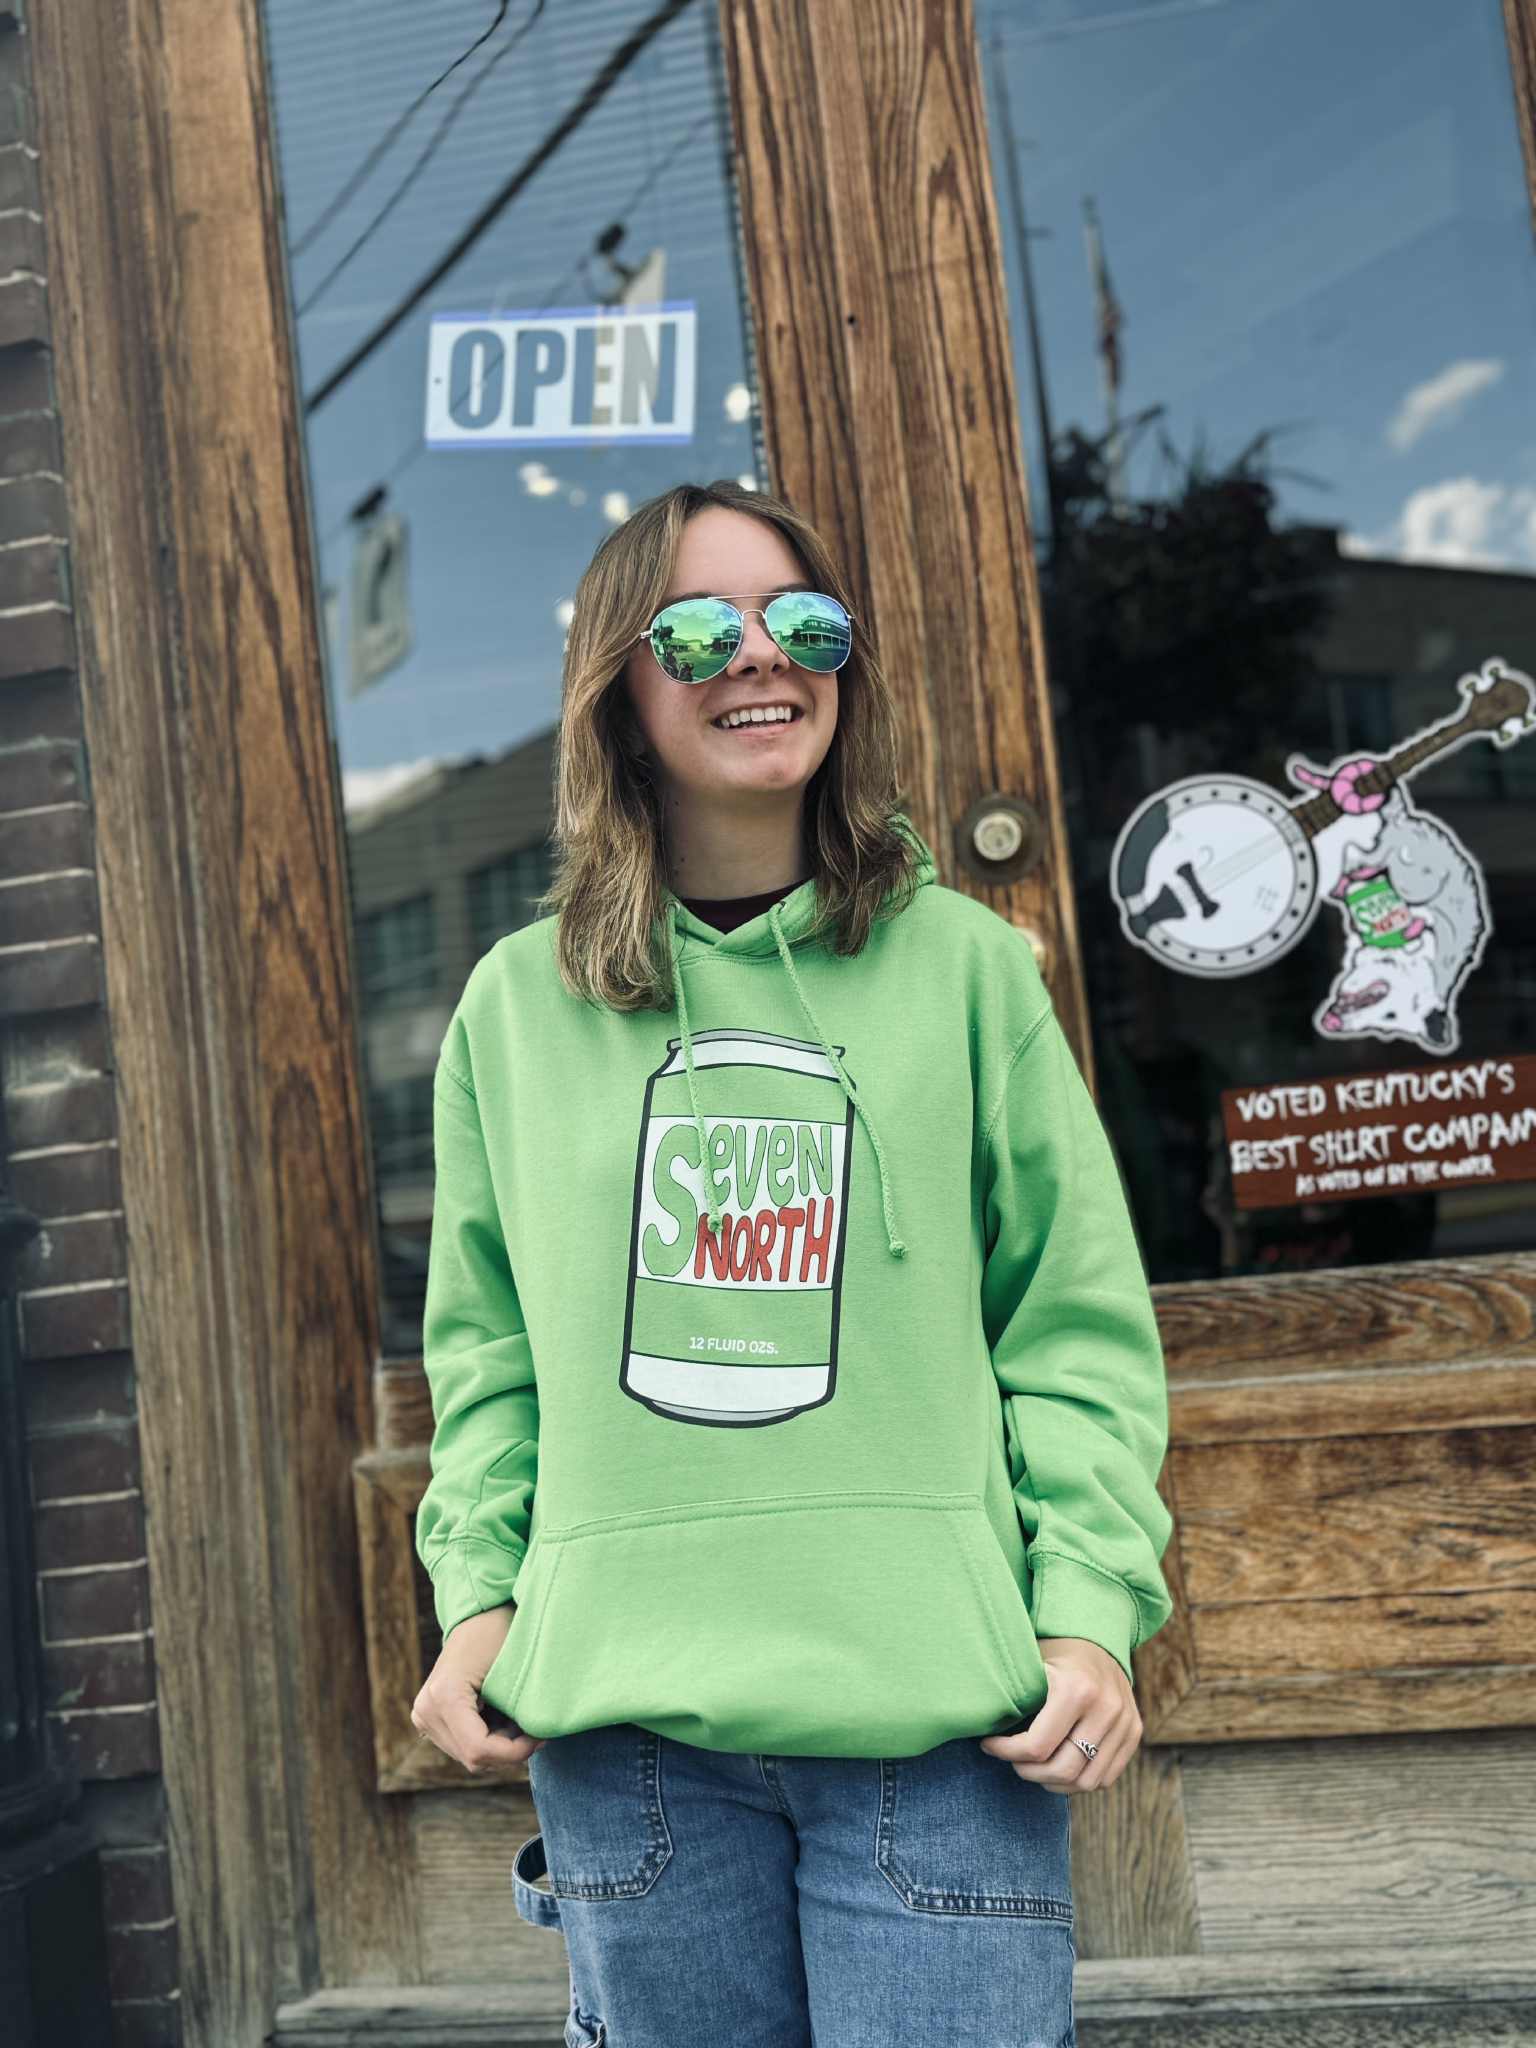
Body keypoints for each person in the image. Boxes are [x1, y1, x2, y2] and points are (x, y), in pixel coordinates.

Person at [410, 477, 1174, 2047]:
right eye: (697, 630)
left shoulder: (966, 969)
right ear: (619, 693)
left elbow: (1072, 1326)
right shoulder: (514, 1007)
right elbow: (488, 1351)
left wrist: (1090, 1606)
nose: (760, 656)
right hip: (628, 1730)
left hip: (939, 1725)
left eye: (802, 622)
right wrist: (478, 1592)